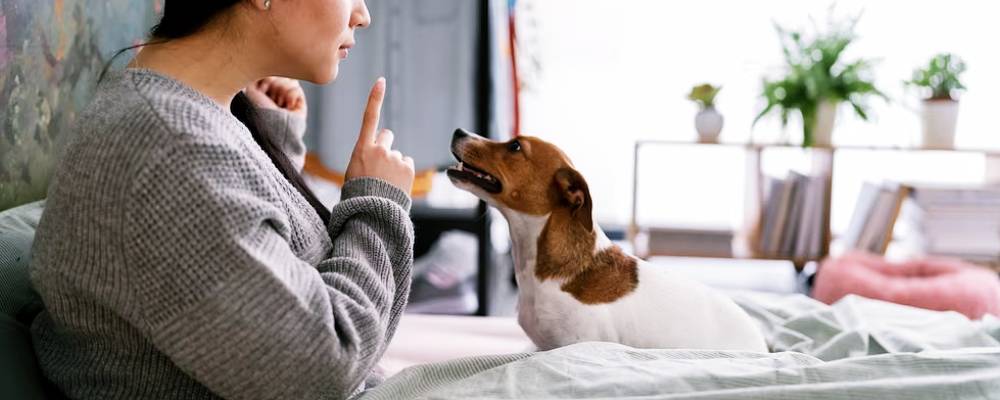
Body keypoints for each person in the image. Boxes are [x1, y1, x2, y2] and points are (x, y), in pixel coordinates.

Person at [29, 1, 415, 398]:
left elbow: (230, 237)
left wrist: (272, 139)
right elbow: (325, 367)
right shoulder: (170, 152)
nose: (363, 15)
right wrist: (377, 204)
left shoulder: (172, 119)